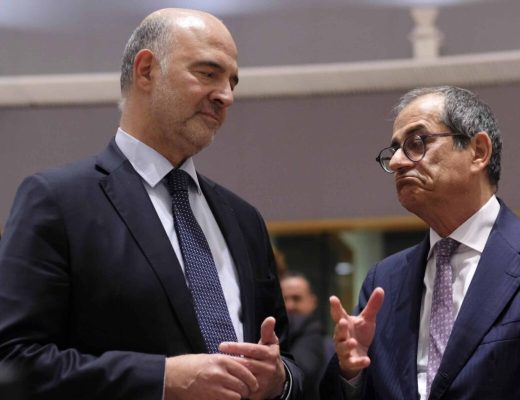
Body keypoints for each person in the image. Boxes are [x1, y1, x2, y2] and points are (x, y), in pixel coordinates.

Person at [0, 8, 302, 400]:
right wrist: (160, 379)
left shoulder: (243, 219)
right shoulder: (57, 201)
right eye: (208, 73)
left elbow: (288, 358)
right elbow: (13, 362)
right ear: (146, 70)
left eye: (233, 82)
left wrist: (280, 380)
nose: (226, 95)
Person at [321, 86, 520, 399]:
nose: (398, 161)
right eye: (395, 150)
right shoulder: (383, 280)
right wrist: (351, 371)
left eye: (416, 143)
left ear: (478, 151)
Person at [280, 273, 330, 400]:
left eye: (297, 298)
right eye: (284, 299)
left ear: (313, 302)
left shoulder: (332, 349)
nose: (290, 306)